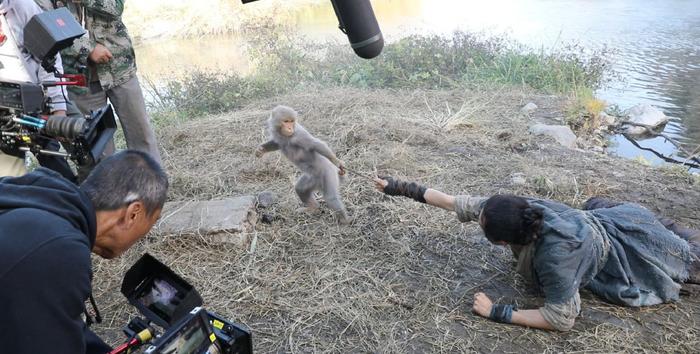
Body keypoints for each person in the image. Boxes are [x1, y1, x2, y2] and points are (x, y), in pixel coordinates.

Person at [374, 176, 700, 331]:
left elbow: (561, 319)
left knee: (688, 259)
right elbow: (450, 201)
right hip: (608, 218)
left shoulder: (555, 260)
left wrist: (496, 312)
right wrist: (397, 187)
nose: (479, 218)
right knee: (594, 204)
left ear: (504, 243)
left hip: (625, 245)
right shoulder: (519, 209)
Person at [0, 150, 168, 353]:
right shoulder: (59, 251)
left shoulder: (40, 198)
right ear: (133, 214)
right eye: (153, 220)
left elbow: (54, 323)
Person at [35, 0, 162, 164]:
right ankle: (111, 188)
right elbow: (46, 27)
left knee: (142, 137)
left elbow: (116, 7)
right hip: (78, 79)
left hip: (119, 68)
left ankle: (153, 186)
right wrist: (88, 48)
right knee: (99, 150)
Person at [0, 0, 79, 182]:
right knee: (9, 181)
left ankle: (84, 199)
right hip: (5, 114)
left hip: (38, 99)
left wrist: (58, 108)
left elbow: (49, 56)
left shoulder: (22, 6)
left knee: (84, 144)